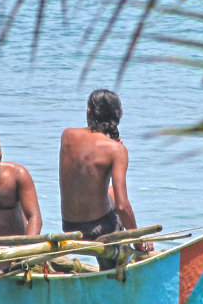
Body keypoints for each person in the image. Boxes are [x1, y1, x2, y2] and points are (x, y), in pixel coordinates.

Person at [59, 89, 152, 270]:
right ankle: (114, 269)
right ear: (117, 117)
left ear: (89, 112)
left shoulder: (67, 135)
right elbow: (123, 207)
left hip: (69, 226)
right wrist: (139, 242)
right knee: (118, 204)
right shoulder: (116, 150)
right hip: (99, 230)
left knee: (109, 192)